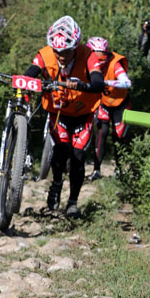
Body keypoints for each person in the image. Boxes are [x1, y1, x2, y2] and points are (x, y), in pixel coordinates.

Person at [24, 15, 104, 218]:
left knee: (77, 159)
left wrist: (83, 85)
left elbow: (98, 82)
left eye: (66, 52)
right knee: (60, 154)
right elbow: (30, 73)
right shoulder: (45, 54)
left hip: (83, 115)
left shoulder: (88, 55)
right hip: (57, 113)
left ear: (75, 47)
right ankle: (57, 183)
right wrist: (26, 83)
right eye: (57, 51)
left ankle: (73, 202)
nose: (61, 56)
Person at [85, 36, 132, 181]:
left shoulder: (114, 63)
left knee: (119, 136)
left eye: (103, 56)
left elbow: (126, 83)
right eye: (96, 57)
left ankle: (119, 169)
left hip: (120, 103)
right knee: (102, 132)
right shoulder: (86, 63)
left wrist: (106, 82)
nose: (101, 60)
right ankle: (96, 170)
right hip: (103, 102)